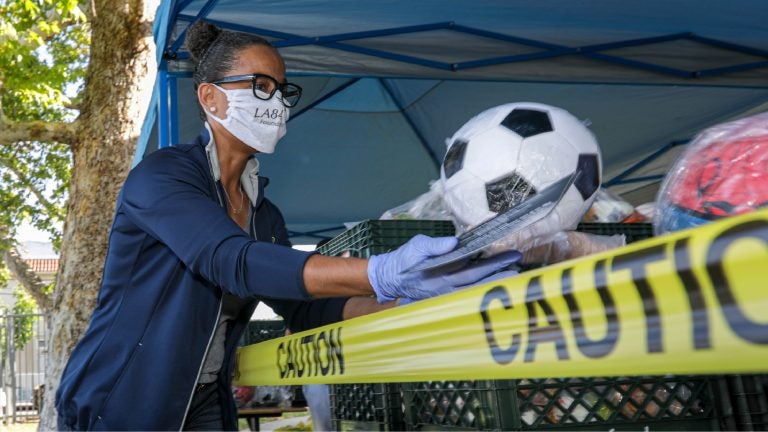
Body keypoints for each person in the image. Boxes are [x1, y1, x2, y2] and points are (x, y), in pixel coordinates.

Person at [54, 21, 520, 431]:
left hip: (204, 398)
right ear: (210, 96)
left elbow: (307, 312)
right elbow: (228, 259)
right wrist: (376, 269)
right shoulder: (163, 177)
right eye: (260, 85)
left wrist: (407, 299)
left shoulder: (266, 216)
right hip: (121, 399)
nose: (276, 101)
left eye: (281, 89)